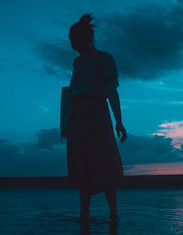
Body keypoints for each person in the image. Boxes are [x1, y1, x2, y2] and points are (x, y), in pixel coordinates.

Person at [61, 13, 127, 223]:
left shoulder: (104, 59)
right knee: (82, 164)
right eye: (72, 42)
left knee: (104, 161)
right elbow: (71, 92)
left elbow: (111, 92)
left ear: (84, 39)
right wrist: (66, 122)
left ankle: (113, 213)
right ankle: (84, 215)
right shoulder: (78, 63)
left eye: (75, 41)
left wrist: (119, 121)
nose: (74, 46)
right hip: (79, 116)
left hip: (97, 113)